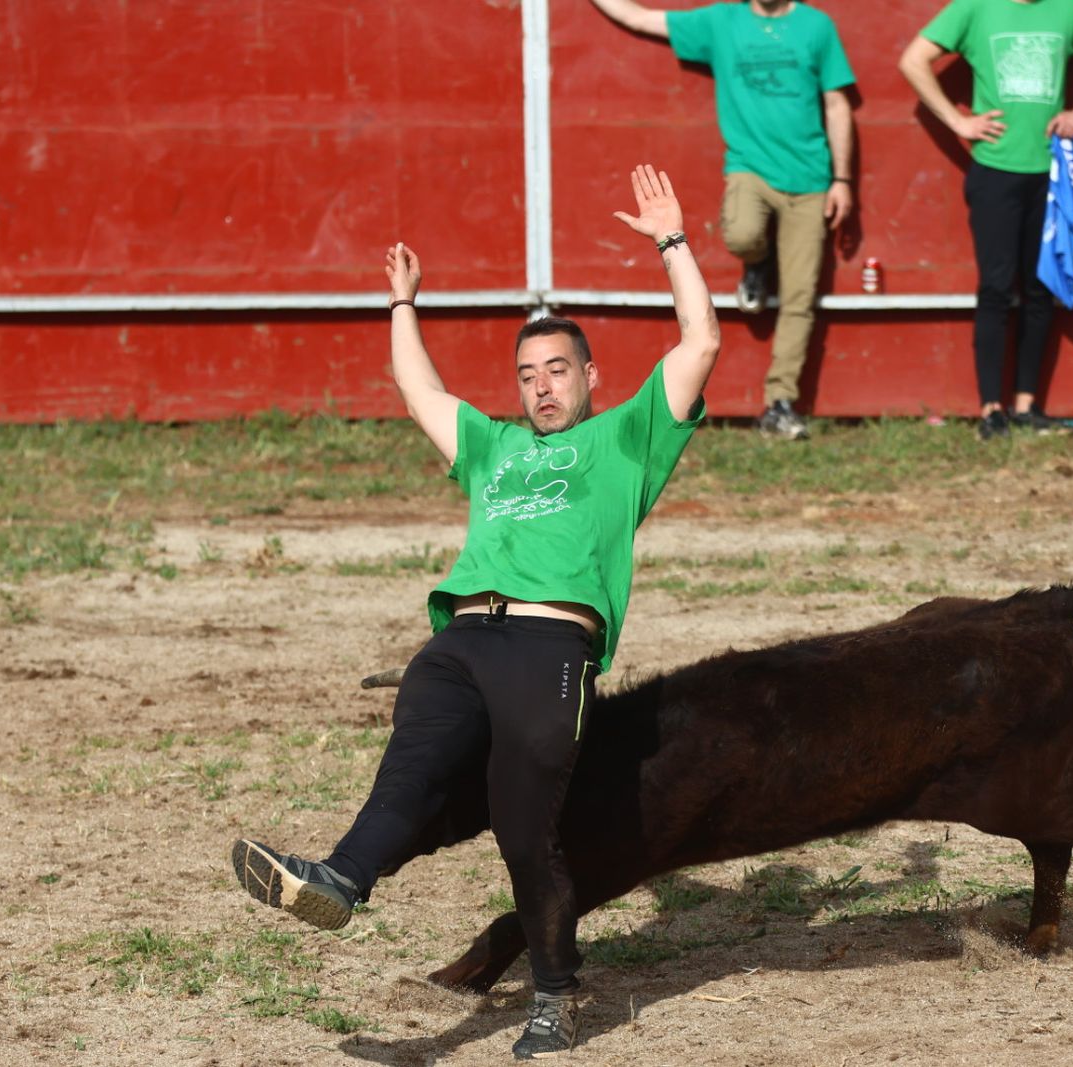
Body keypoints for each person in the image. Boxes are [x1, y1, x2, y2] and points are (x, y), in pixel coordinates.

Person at [229, 165, 719, 1061]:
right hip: (461, 640)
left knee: (526, 832)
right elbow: (421, 395)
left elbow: (700, 341)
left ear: (589, 375)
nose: (540, 387)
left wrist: (672, 242)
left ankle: (558, 996)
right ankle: (338, 878)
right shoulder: (493, 446)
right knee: (407, 775)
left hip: (549, 642)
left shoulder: (628, 438)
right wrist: (404, 305)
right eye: (527, 374)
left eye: (556, 370)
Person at [587, 0, 855, 441]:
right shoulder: (721, 21)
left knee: (800, 297)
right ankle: (759, 262)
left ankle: (780, 402)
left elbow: (837, 103)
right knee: (744, 233)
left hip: (811, 179)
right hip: (751, 168)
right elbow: (637, 17)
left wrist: (842, 178)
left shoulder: (816, 26)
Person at [899, 0, 1073, 440]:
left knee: (1041, 286)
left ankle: (1025, 406)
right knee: (997, 286)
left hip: (1051, 174)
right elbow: (913, 59)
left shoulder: (1069, 10)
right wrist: (957, 121)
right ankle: (991, 410)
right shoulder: (974, 8)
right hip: (995, 172)